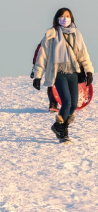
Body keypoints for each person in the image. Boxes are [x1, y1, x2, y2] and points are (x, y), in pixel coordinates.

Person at [32, 8, 94, 143]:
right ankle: (63, 132)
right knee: (66, 102)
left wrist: (89, 71)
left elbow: (83, 54)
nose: (65, 18)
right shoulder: (51, 35)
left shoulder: (77, 34)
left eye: (67, 16)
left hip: (73, 73)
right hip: (58, 73)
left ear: (71, 18)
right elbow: (42, 56)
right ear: (57, 18)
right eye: (62, 16)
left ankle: (58, 127)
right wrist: (38, 76)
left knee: (73, 105)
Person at [31, 43, 59, 111]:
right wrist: (35, 71)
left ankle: (55, 103)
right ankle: (53, 103)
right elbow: (39, 56)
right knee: (52, 83)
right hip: (52, 66)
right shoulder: (48, 39)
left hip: (65, 66)